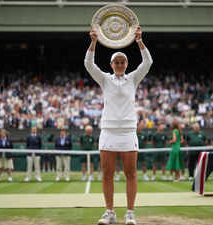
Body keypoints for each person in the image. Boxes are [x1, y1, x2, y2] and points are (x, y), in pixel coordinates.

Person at [85, 25, 152, 225]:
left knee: (131, 174)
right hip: (108, 131)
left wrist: (139, 40)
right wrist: (94, 41)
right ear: (112, 64)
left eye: (123, 62)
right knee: (107, 174)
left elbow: (148, 61)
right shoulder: (104, 79)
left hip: (128, 132)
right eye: (117, 62)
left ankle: (130, 213)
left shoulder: (133, 78)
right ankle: (110, 212)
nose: (120, 64)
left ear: (126, 64)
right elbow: (89, 64)